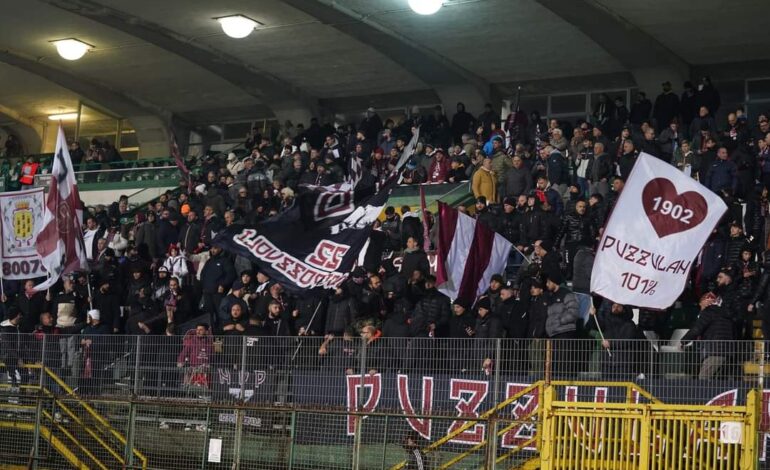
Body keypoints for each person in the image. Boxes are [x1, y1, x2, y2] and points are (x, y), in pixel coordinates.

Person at [680, 293, 734, 380]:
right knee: (719, 382)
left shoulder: (708, 312)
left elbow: (697, 329)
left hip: (715, 351)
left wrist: (683, 341)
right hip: (727, 352)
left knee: (703, 380)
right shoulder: (723, 312)